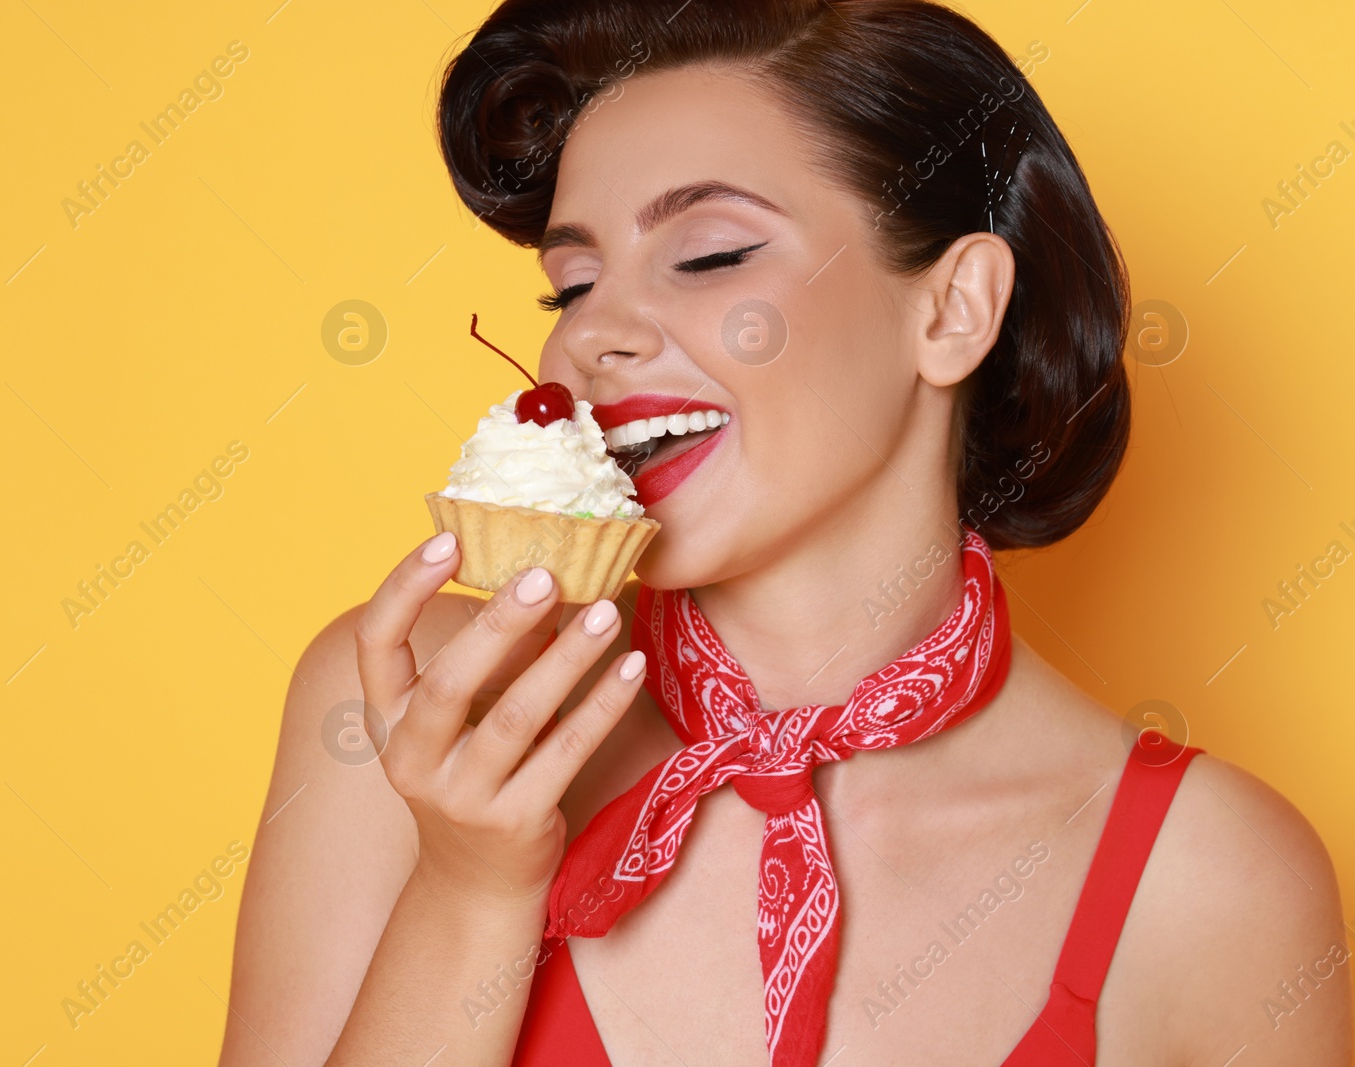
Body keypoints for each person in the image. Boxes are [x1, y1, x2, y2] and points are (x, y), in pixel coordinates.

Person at [218, 1, 1352, 1064]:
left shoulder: (1207, 879)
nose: (596, 334)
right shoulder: (406, 721)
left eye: (709, 256)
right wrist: (467, 895)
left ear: (951, 309)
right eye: (570, 286)